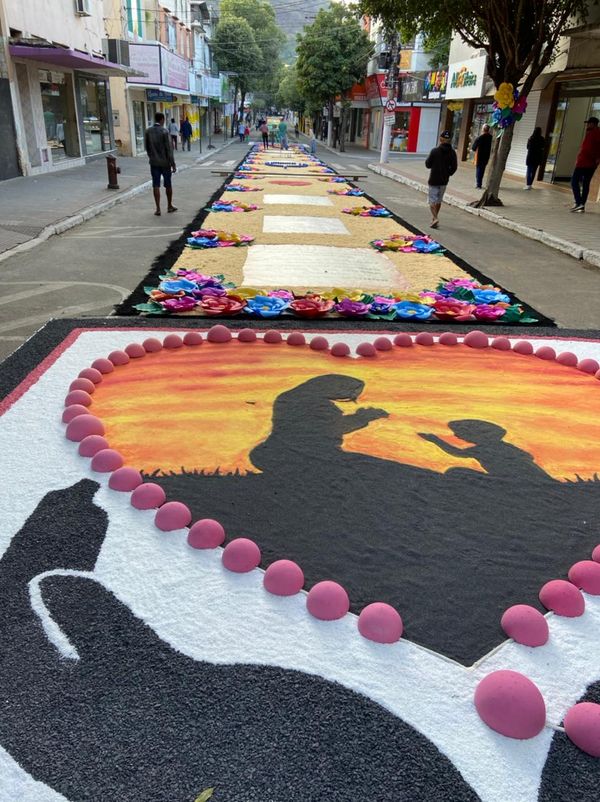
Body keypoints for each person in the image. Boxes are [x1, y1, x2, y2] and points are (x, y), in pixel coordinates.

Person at [144, 112, 177, 217]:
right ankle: (169, 205)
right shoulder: (164, 131)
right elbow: (169, 149)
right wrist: (173, 163)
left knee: (156, 185)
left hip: (154, 162)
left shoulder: (148, 131)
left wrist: (152, 157)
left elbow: (147, 147)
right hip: (165, 163)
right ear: (162, 119)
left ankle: (158, 208)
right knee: (168, 185)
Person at [424, 130, 457, 229]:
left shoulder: (435, 151)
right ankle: (434, 219)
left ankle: (435, 217)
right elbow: (454, 167)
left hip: (434, 179)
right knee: (438, 201)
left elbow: (427, 164)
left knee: (432, 200)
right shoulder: (452, 153)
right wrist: (448, 173)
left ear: (441, 139)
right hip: (444, 180)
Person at [570, 116, 600, 212]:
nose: (587, 125)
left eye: (588, 123)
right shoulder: (597, 133)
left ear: (593, 124)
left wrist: (580, 159)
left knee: (574, 181)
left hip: (584, 162)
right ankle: (582, 205)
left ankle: (578, 202)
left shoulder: (592, 134)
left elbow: (586, 149)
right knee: (586, 183)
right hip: (592, 164)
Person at [471, 123, 492, 189]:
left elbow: (473, 148)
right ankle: (479, 183)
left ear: (482, 130)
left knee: (479, 170)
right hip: (486, 156)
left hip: (479, 157)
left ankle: (478, 184)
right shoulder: (491, 138)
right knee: (482, 170)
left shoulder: (480, 138)